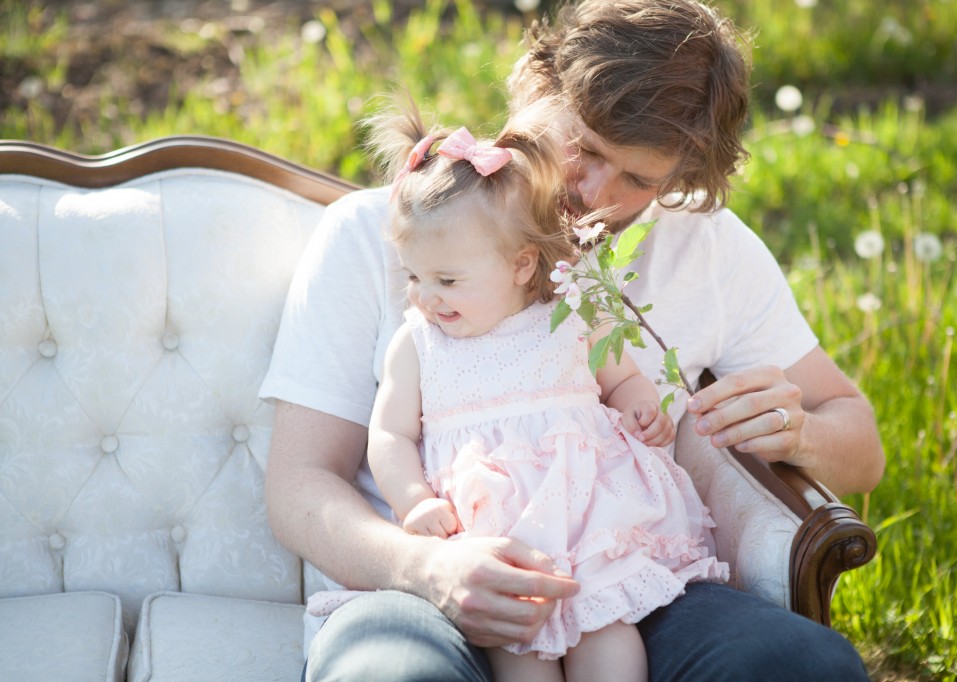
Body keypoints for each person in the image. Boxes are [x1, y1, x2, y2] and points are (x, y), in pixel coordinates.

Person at [260, 0, 885, 679]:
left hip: (633, 577)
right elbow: (298, 483)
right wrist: (425, 565)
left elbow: (860, 445)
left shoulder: (709, 252)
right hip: (417, 586)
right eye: (582, 148)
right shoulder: (378, 236)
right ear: (535, 86)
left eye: (640, 179)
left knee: (804, 667)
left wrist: (799, 435)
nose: (596, 194)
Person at [303, 103, 730, 682]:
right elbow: (391, 434)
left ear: (522, 265)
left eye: (448, 280)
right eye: (413, 276)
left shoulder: (570, 313)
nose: (427, 296)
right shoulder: (419, 344)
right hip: (495, 542)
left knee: (608, 632)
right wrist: (414, 502)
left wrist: (640, 407)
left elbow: (622, 376)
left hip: (589, 524)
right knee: (517, 650)